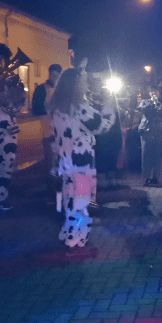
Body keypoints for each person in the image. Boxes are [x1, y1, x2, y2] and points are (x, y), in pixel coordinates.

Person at [48, 62, 115, 249]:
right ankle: (78, 237)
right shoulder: (81, 109)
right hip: (82, 162)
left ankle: (68, 231)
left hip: (65, 161)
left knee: (69, 197)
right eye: (83, 82)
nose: (86, 85)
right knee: (83, 200)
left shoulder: (56, 109)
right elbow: (103, 125)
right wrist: (109, 106)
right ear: (76, 86)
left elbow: (55, 139)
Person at [0, 67, 26, 211]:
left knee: (7, 168)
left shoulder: (9, 97)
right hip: (2, 136)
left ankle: (2, 197)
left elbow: (19, 107)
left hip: (9, 138)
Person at [138, 86, 162, 186]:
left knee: (160, 154)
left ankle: (157, 177)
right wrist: (152, 104)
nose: (154, 93)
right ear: (149, 93)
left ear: (159, 93)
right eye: (152, 91)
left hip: (161, 131)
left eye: (156, 91)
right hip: (147, 131)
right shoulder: (144, 102)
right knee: (147, 154)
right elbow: (142, 111)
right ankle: (147, 177)